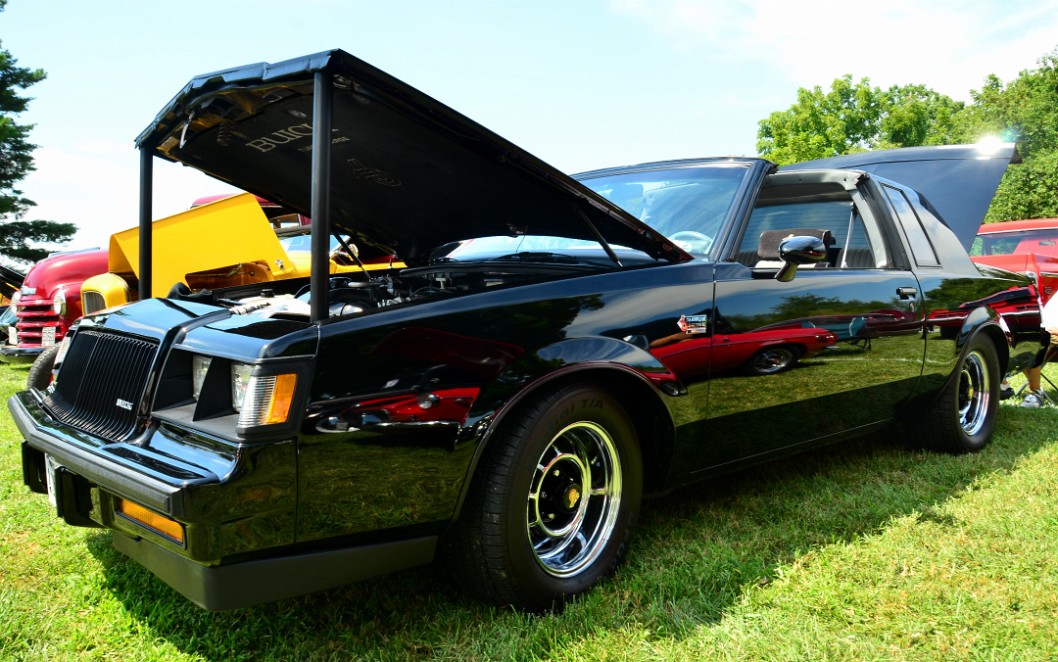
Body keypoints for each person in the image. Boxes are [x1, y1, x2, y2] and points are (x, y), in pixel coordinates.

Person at [1020, 291, 1058, 408]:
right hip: (1046, 331)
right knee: (1020, 341)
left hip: (1050, 335)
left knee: (1035, 342)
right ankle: (1002, 385)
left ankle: (1035, 392)